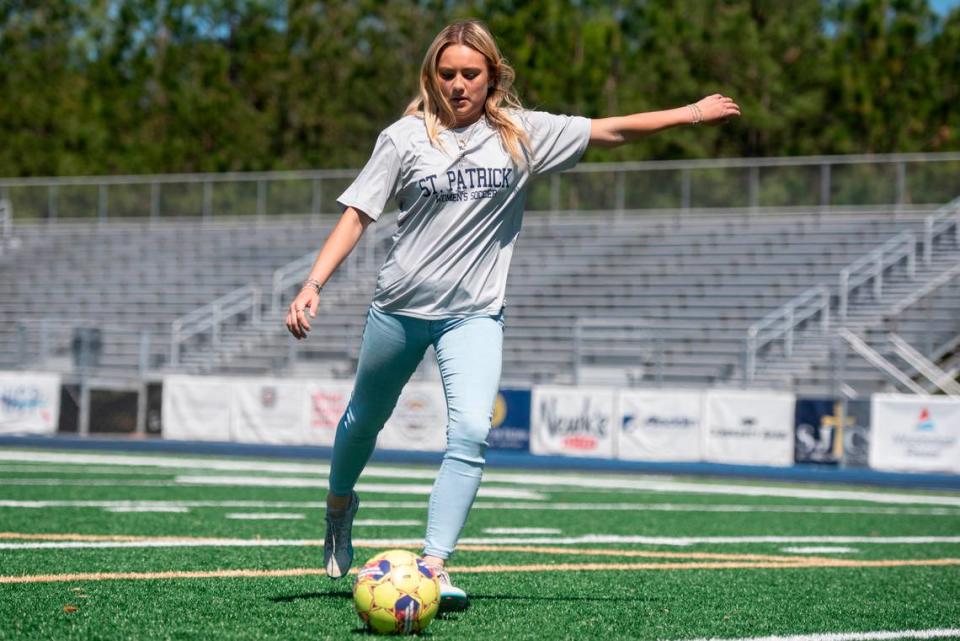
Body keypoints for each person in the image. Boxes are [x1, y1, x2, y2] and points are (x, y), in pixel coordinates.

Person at [285, 19, 740, 612]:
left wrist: (692, 113)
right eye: (446, 74)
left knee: (472, 430)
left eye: (469, 74)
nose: (457, 84)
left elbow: (612, 131)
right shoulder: (402, 138)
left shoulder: (522, 134)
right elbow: (356, 214)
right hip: (398, 308)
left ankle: (434, 564)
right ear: (431, 77)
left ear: (492, 78)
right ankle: (339, 507)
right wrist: (313, 284)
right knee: (363, 420)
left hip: (473, 315)